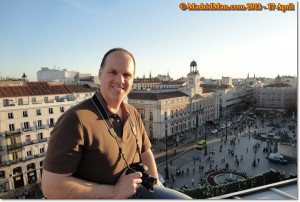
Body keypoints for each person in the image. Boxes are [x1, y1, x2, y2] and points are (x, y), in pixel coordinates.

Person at [41, 48, 192, 199]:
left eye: (127, 75)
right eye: (113, 72)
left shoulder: (133, 113)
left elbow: (146, 152)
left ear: (133, 80)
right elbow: (51, 187)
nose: (120, 80)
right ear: (100, 74)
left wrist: (156, 186)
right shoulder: (75, 119)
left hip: (139, 192)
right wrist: (115, 192)